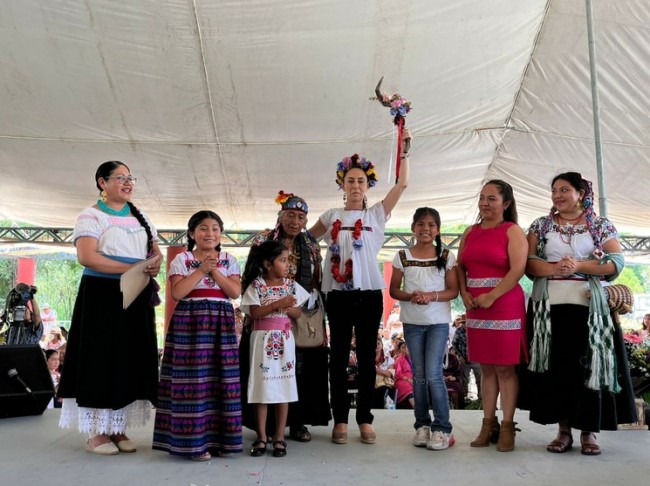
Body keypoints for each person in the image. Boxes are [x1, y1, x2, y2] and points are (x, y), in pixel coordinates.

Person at [518, 172, 637, 456]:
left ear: (581, 193)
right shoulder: (541, 224)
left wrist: (578, 266)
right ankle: (563, 431)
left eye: (564, 190)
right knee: (558, 369)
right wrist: (555, 269)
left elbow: (616, 263)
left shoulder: (599, 225)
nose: (557, 196)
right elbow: (529, 264)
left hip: (589, 311)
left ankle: (589, 432)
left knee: (588, 369)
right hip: (548, 310)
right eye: (554, 191)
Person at [308, 128, 411, 445]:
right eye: (349, 180)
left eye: (360, 181)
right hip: (337, 295)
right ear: (341, 184)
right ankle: (340, 419)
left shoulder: (377, 214)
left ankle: (365, 419)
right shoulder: (331, 214)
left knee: (368, 360)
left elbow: (402, 184)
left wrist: (405, 152)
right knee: (337, 359)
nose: (355, 185)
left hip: (368, 296)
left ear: (368, 185)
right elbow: (307, 241)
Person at [57, 161, 162, 456]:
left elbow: (156, 252)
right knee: (100, 357)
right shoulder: (90, 216)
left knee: (128, 356)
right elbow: (88, 257)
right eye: (120, 178)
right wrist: (134, 266)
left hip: (136, 291)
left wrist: (154, 265)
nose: (128, 183)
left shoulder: (141, 216)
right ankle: (97, 432)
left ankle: (117, 427)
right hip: (101, 295)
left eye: (131, 178)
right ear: (102, 183)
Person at [239, 191, 330, 443]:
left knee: (299, 370)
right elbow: (249, 275)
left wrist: (308, 312)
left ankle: (297, 423)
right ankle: (264, 427)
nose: (296, 221)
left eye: (301, 217)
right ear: (280, 216)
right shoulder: (263, 239)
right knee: (265, 372)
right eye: (290, 215)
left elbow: (317, 280)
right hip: (266, 317)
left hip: (299, 314)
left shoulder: (310, 244)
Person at [152, 210, 242, 461]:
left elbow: (234, 292)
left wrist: (214, 271)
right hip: (189, 323)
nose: (209, 233)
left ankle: (222, 441)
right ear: (192, 233)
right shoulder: (181, 260)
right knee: (192, 381)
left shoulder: (229, 259)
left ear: (220, 234)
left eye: (215, 228)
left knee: (222, 379)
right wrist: (202, 270)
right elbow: (178, 292)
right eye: (203, 228)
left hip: (221, 324)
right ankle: (192, 444)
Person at [457, 179, 527, 452]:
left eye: (492, 199)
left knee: (504, 368)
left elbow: (517, 270)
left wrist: (492, 295)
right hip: (475, 306)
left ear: (506, 203)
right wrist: (464, 293)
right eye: (482, 198)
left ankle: (508, 426)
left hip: (504, 304)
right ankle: (488, 424)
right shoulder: (469, 232)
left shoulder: (512, 231)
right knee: (486, 367)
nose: (485, 203)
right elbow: (460, 267)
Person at [389, 206, 459, 450]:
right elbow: (394, 290)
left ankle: (442, 429)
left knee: (433, 374)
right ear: (413, 228)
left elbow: (454, 290)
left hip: (438, 323)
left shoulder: (447, 256)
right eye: (420, 224)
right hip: (412, 323)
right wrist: (412, 296)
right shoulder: (402, 255)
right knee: (418, 376)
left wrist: (431, 296)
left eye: (430, 225)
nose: (425, 229)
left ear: (438, 230)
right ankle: (422, 426)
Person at [240, 240, 310, 458]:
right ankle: (262, 436)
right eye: (282, 260)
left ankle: (279, 436)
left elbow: (299, 314)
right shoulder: (256, 286)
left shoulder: (291, 286)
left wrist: (290, 308)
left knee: (284, 389)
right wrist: (277, 304)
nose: (287, 264)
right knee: (261, 389)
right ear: (268, 264)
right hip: (261, 340)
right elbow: (255, 314)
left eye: (288, 260)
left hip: (284, 340)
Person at [451, 314, 482, 399]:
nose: (465, 324)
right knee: (464, 381)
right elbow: (454, 344)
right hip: (464, 360)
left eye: (466, 322)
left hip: (477, 360)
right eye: (463, 323)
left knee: (480, 381)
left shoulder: (476, 330)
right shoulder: (459, 331)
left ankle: (481, 399)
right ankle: (464, 398)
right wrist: (459, 356)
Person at [394, 341, 415, 409]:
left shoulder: (417, 359)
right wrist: (408, 379)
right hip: (402, 380)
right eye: (408, 348)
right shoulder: (400, 359)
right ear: (405, 349)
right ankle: (416, 408)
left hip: (415, 379)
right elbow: (398, 374)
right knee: (407, 386)